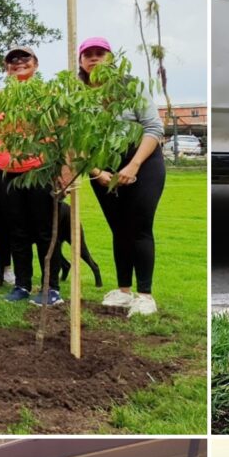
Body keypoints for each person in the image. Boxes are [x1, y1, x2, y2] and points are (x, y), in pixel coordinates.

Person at [78, 39, 167, 316]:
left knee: (139, 226)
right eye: (88, 55)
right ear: (81, 61)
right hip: (101, 168)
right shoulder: (78, 94)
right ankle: (124, 290)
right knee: (119, 228)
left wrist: (134, 166)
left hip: (143, 163)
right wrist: (96, 171)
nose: (94, 59)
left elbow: (154, 127)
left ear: (111, 59)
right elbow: (75, 139)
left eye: (99, 54)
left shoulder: (131, 87)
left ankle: (145, 294)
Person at [0, 44, 66, 306]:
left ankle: (50, 287)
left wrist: (65, 169)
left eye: (25, 58)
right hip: (8, 174)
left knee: (44, 231)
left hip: (40, 171)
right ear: (6, 67)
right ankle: (21, 284)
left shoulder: (49, 93)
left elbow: (64, 134)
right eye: (13, 60)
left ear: (36, 63)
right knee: (16, 231)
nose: (19, 62)